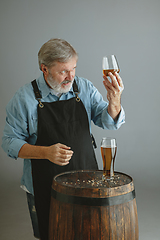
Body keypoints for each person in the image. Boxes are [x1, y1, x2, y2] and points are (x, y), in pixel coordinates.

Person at [2, 38, 125, 240]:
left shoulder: (83, 87)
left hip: (87, 182)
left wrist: (115, 101)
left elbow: (110, 122)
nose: (70, 77)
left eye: (73, 68)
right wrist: (45, 152)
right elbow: (8, 142)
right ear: (44, 69)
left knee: (88, 233)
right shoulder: (24, 99)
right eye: (63, 71)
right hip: (44, 185)